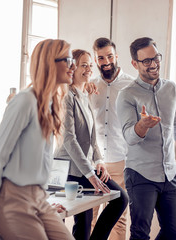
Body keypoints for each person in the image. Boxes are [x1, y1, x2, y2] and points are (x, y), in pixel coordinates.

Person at [0, 39, 75, 240]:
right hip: (13, 200)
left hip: (39, 198)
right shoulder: (25, 101)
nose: (73, 67)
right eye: (69, 60)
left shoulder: (52, 103)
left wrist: (39, 196)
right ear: (50, 63)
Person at [116, 37, 176, 240]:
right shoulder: (127, 95)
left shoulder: (171, 88)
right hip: (141, 174)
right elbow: (129, 137)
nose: (153, 64)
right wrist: (142, 126)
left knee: (173, 232)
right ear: (134, 64)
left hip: (171, 174)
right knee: (140, 234)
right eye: (146, 61)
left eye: (155, 57)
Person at [54, 49, 129, 240]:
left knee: (118, 199)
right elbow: (69, 138)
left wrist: (99, 161)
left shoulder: (85, 94)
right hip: (69, 169)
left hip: (86, 166)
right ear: (73, 68)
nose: (88, 69)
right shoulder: (67, 96)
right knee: (82, 221)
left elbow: (92, 137)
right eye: (83, 65)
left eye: (89, 65)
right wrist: (90, 173)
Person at [89, 37, 134, 240]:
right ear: (96, 60)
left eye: (109, 56)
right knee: (89, 215)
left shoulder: (132, 85)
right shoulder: (89, 87)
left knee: (118, 218)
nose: (106, 61)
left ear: (116, 56)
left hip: (120, 161)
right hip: (93, 163)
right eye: (101, 58)